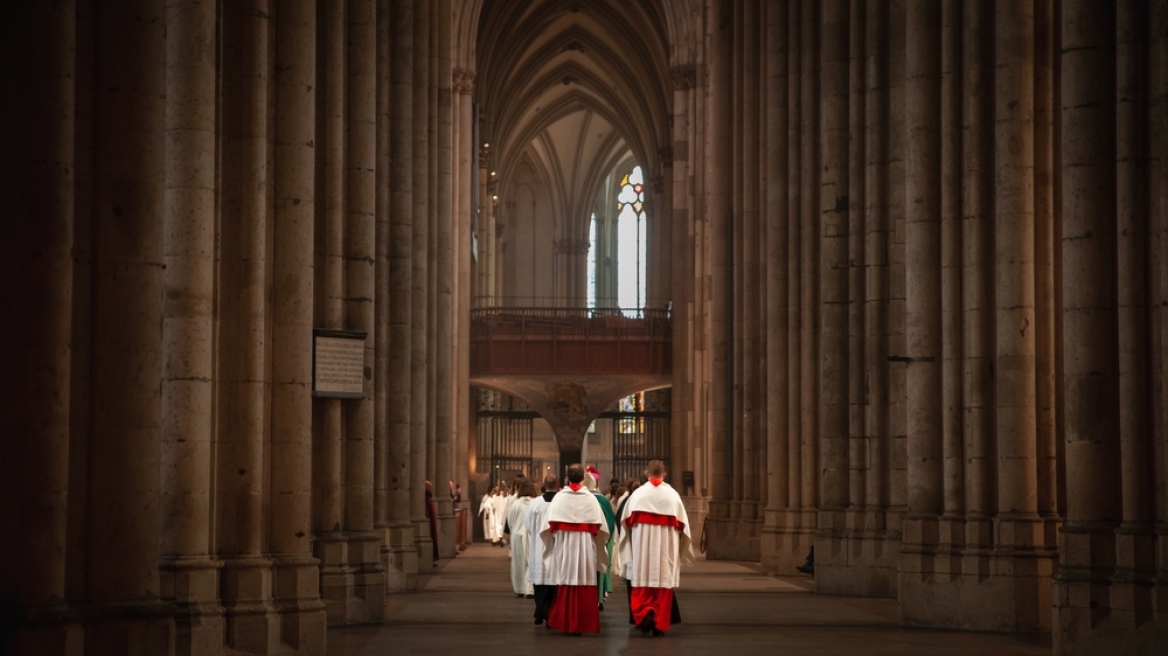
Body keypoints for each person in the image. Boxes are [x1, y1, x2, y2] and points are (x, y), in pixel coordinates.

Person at [617, 460, 693, 637]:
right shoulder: (672, 496)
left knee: (643, 582)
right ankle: (658, 624)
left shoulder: (637, 495)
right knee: (662, 583)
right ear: (664, 474)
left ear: (647, 473)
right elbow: (683, 526)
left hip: (643, 552)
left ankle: (645, 618)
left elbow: (625, 523)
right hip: (665, 552)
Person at [539, 464, 610, 635]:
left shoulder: (559, 499)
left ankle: (565, 622)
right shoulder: (590, 499)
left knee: (565, 579)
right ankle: (584, 622)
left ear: (567, 478)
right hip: (586, 548)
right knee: (584, 579)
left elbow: (547, 528)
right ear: (583, 478)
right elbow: (602, 530)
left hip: (565, 546)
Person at [522, 473, 560, 625]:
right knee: (553, 585)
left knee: (539, 584)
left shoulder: (535, 504)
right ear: (557, 486)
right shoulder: (560, 502)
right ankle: (546, 613)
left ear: (543, 486)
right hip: (556, 548)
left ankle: (543, 613)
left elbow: (528, 525)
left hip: (538, 547)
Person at [583, 465, 615, 609]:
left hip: (583, 539)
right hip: (599, 537)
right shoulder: (602, 500)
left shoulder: (581, 498)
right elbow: (610, 522)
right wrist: (606, 538)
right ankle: (599, 598)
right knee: (599, 567)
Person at [505, 480, 538, 597]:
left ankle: (519, 588)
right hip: (533, 535)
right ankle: (530, 589)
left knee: (518, 562)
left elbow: (510, 522)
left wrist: (514, 530)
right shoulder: (536, 503)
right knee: (531, 562)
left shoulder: (516, 504)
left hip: (518, 536)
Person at [424, 480, 439, 565]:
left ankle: (432, 559)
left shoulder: (428, 497)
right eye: (430, 487)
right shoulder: (425, 498)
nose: (432, 488)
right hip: (428, 524)